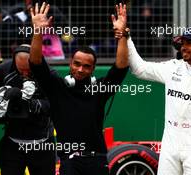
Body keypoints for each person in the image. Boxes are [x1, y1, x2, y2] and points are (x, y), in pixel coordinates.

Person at [114, 10, 191, 175]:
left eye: (189, 43)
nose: (183, 47)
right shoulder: (173, 67)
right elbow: (139, 69)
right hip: (169, 141)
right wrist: (127, 37)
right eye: (182, 43)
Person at [29, 2, 128, 175]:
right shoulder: (57, 87)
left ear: (93, 69)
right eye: (77, 64)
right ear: (70, 63)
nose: (80, 69)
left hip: (97, 160)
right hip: (70, 162)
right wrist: (38, 31)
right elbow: (36, 63)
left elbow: (120, 67)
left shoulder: (99, 89)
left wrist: (122, 35)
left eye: (86, 66)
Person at [0, 44, 55, 175]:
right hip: (12, 142)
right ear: (14, 61)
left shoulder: (49, 74)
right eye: (21, 70)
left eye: (28, 71)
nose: (25, 74)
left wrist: (27, 102)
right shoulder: (0, 71)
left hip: (42, 143)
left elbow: (55, 105)